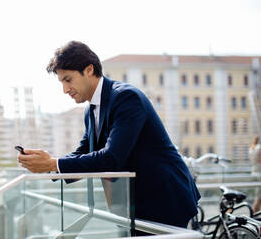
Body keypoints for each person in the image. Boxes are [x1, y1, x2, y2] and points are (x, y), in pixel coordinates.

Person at [18, 41, 200, 229]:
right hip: (134, 205)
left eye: (68, 80)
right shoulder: (91, 111)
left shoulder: (126, 98)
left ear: (89, 70)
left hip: (165, 201)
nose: (65, 90)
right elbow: (82, 153)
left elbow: (111, 158)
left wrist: (53, 163)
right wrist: (46, 165)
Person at [249, 135, 261, 212]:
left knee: (258, 195)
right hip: (259, 172)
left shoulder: (252, 148)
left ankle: (256, 213)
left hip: (254, 171)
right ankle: (255, 214)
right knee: (258, 197)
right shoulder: (259, 148)